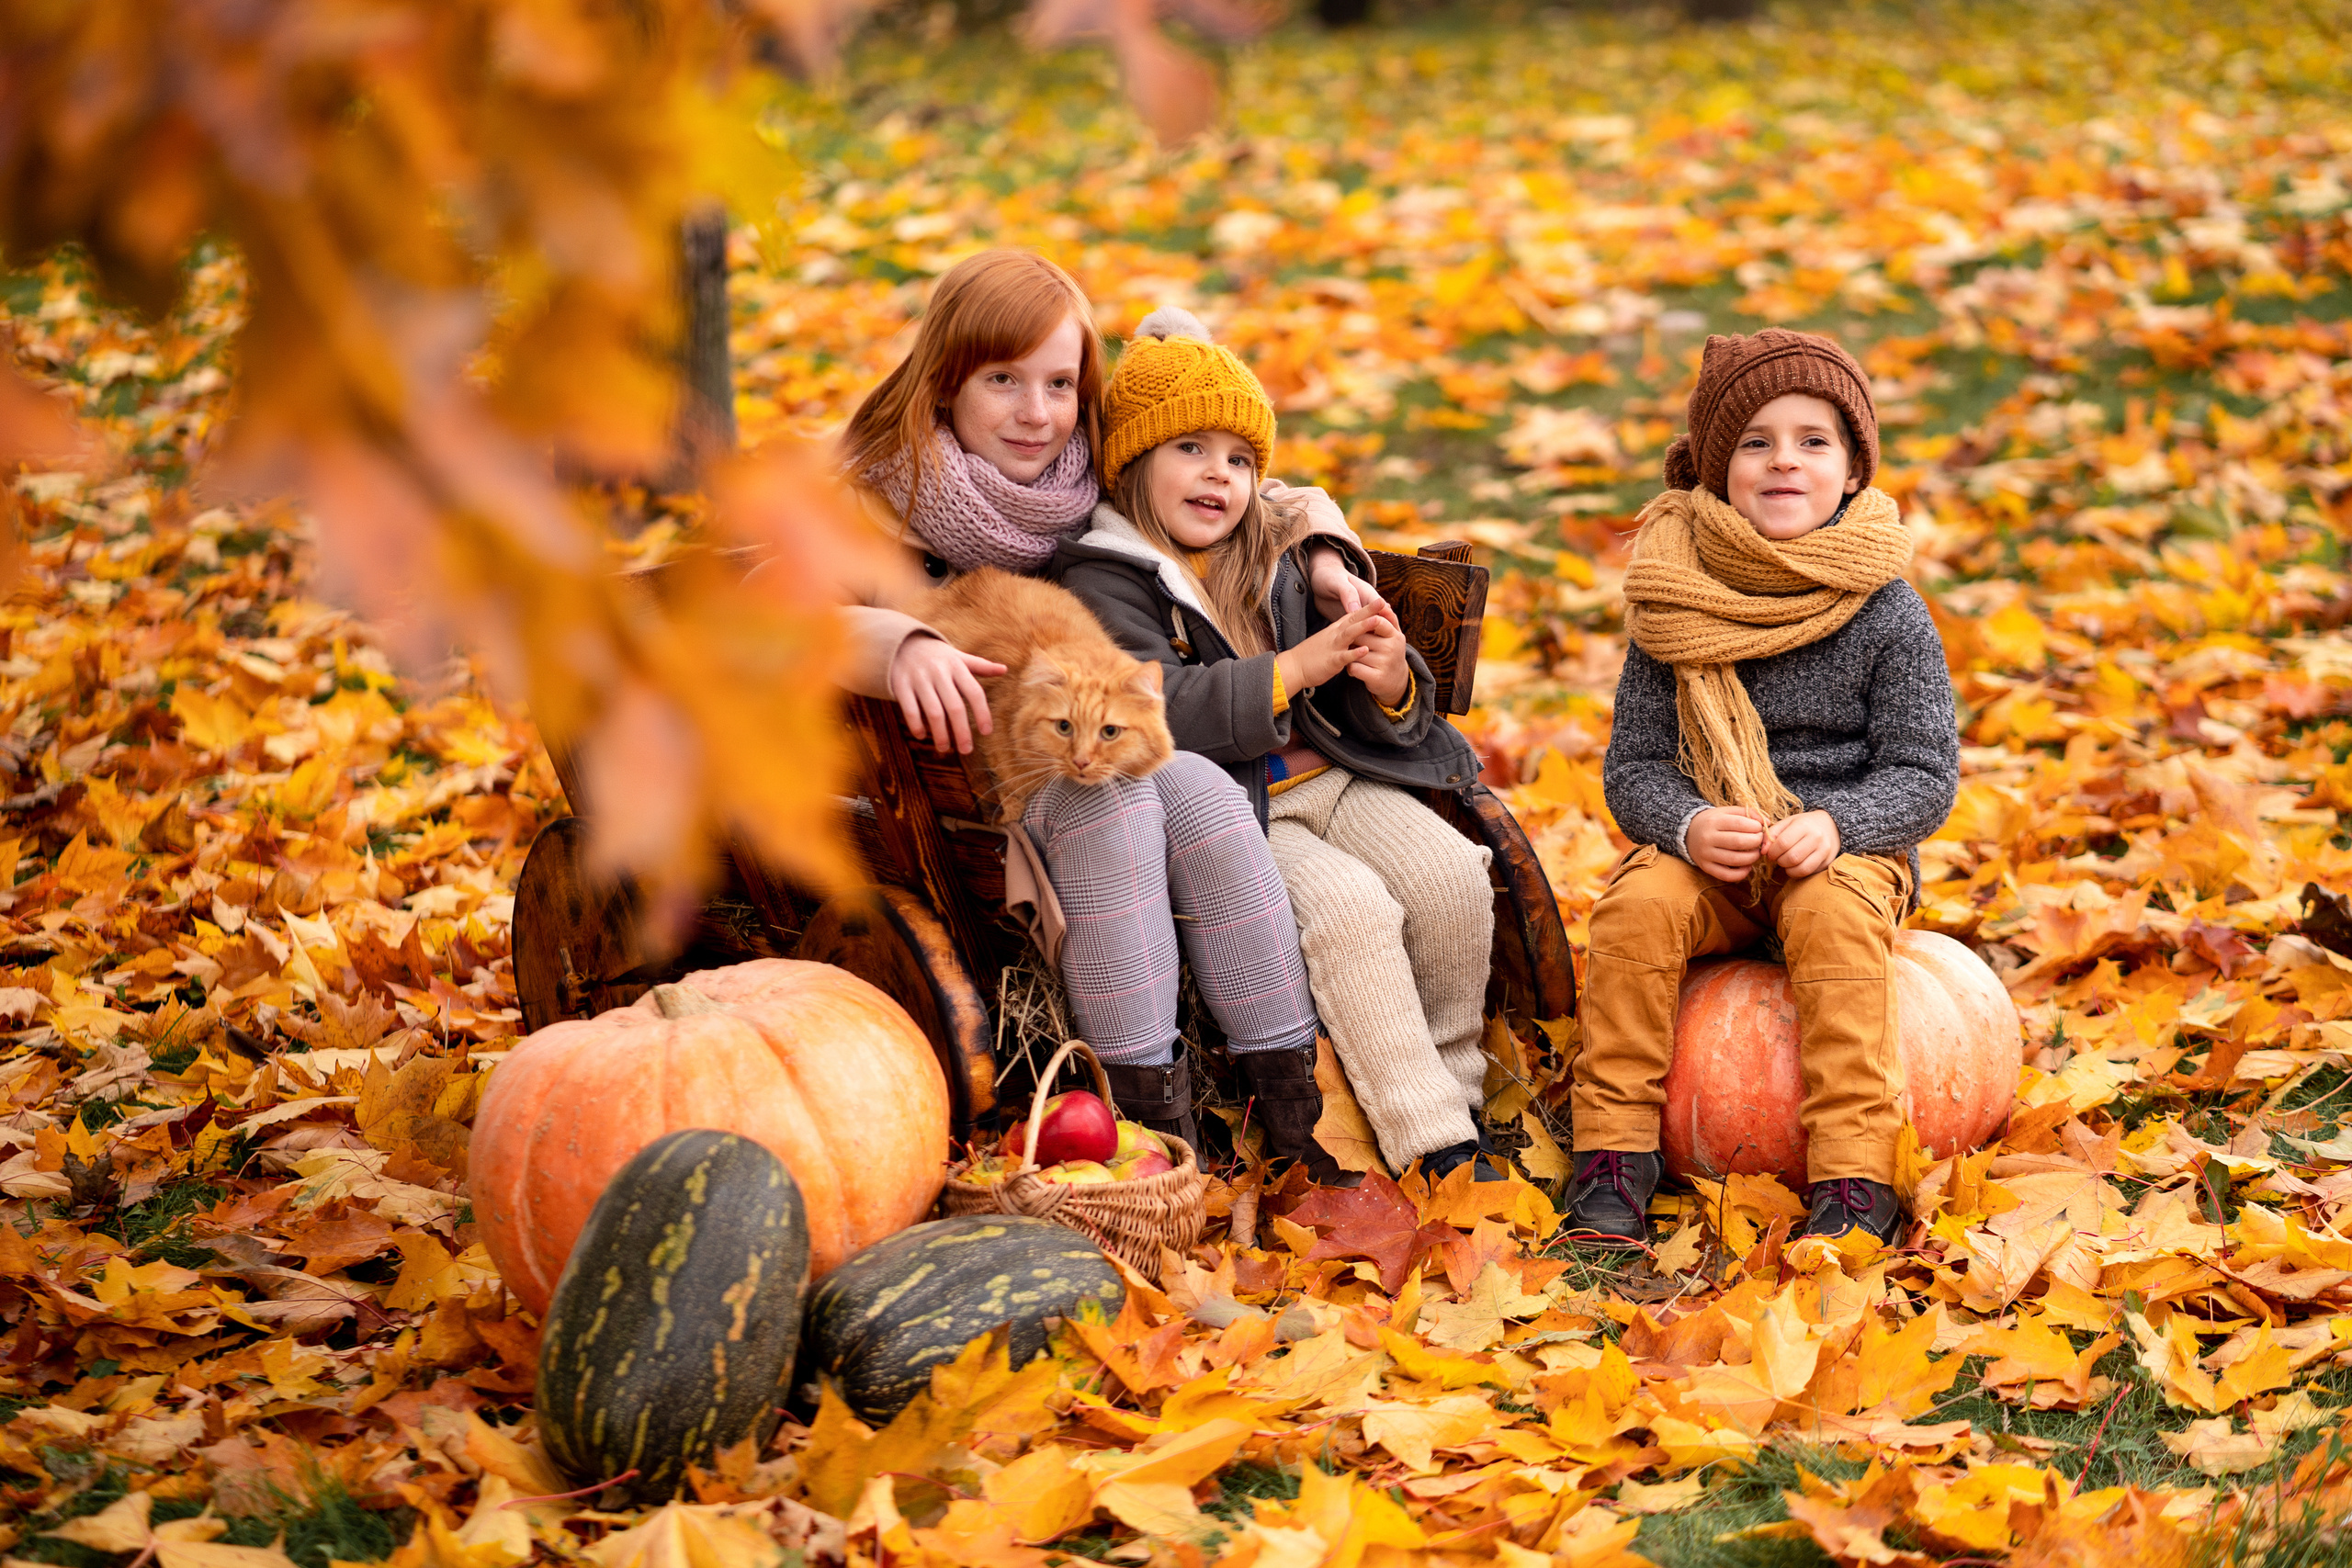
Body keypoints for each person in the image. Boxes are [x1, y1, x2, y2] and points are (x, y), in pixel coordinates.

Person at [834, 250, 1371, 1171]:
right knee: (1117, 801)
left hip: (1080, 739)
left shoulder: (1088, 476)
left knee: (1195, 787)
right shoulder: (875, 498)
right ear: (945, 383)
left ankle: (1293, 1115)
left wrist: (1324, 551)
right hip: (965, 794)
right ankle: (1144, 1135)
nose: (1036, 414)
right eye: (1003, 380)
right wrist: (899, 644)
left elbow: (1263, 484)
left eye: (1058, 385)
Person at [1052, 308, 1504, 1183]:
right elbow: (1155, 703)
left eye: (1239, 459)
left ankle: (1461, 1094)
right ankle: (1429, 1140)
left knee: (1451, 876)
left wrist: (1388, 678)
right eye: (1191, 449)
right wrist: (1292, 668)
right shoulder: (1105, 576)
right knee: (1349, 912)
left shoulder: (1277, 548)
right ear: (1135, 456)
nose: (1217, 476)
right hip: (1244, 810)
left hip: (1339, 778)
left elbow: (1369, 651)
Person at [1566, 329, 1961, 1249]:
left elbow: (1924, 776)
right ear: (1714, 467)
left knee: (1829, 920)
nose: (1784, 460)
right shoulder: (1672, 598)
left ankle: (1855, 1176)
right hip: (1718, 853)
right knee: (1636, 909)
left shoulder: (1887, 610)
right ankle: (1613, 1155)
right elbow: (1633, 770)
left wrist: (1839, 822)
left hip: (1841, 854)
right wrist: (1690, 824)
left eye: (1812, 441)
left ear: (1853, 469)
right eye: (1755, 441)